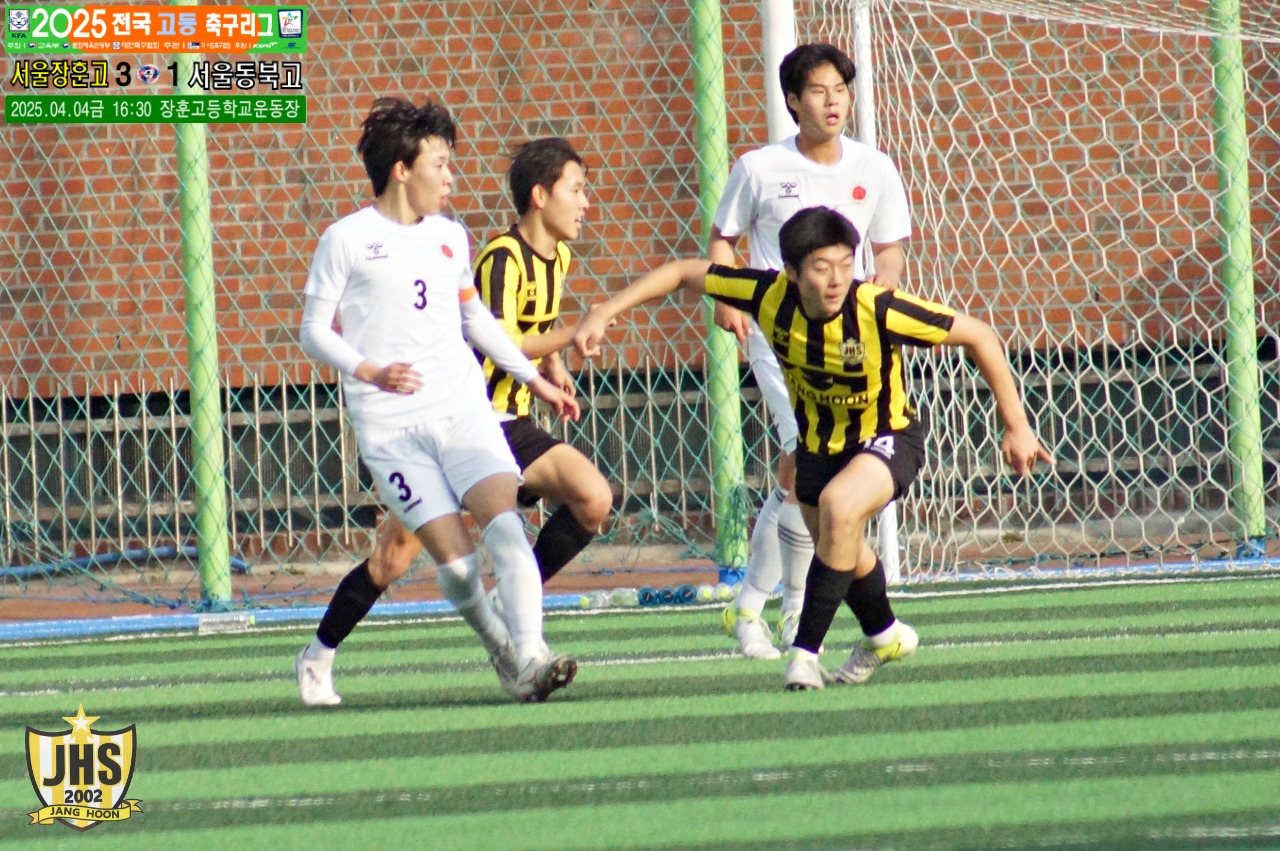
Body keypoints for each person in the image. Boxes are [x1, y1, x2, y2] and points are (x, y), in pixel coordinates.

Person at [574, 206, 1053, 690]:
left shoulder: (877, 308)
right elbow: (682, 272)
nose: (837, 279)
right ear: (791, 272)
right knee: (841, 545)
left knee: (839, 508)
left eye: (846, 264)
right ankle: (885, 635)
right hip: (818, 450)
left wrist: (1016, 425)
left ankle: (804, 655)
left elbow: (979, 335)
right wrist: (606, 310)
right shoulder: (767, 295)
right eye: (822, 268)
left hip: (887, 437)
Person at [293, 98, 583, 707]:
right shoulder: (346, 239)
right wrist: (370, 370)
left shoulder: (451, 236)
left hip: (463, 409)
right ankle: (505, 653)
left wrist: (532, 379)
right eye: (440, 164)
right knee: (456, 565)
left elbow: (475, 320)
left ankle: (531, 656)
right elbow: (314, 330)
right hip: (392, 428)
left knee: (507, 526)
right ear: (402, 170)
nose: (451, 176)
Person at [710, 43, 913, 659]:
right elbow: (723, 240)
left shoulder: (875, 167)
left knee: (803, 479)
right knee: (804, 463)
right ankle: (771, 609)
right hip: (782, 341)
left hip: (851, 347)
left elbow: (890, 251)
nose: (833, 102)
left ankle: (757, 605)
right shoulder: (758, 167)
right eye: (819, 91)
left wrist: (879, 297)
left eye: (841, 90)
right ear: (793, 101)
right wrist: (726, 299)